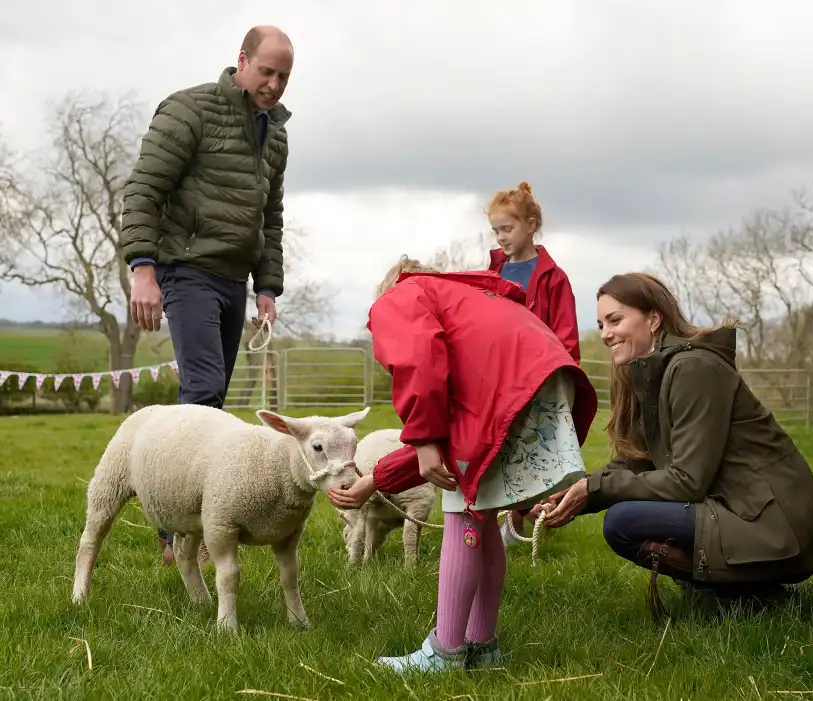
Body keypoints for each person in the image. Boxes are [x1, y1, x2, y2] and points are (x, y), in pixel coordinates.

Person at [326, 256, 598, 673]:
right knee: (483, 513)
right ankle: (482, 646)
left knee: (463, 514)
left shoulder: (402, 295)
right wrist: (377, 479)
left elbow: (418, 357)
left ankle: (445, 651)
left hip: (512, 388)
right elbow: (454, 439)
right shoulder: (472, 307)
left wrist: (425, 437)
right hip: (544, 380)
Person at [541, 272, 813, 620]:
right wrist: (573, 494)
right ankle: (734, 589)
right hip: (740, 509)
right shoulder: (652, 371)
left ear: (653, 318)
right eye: (601, 324)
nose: (606, 333)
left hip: (776, 523)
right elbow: (640, 460)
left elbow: (687, 480)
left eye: (615, 319)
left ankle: (750, 594)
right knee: (625, 515)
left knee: (624, 522)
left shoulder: (693, 368)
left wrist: (594, 490)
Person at [120, 25, 294, 564]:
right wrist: (143, 268)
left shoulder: (277, 135)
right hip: (185, 268)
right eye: (266, 70)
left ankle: (188, 521)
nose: (274, 84)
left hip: (233, 278)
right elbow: (145, 187)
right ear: (241, 60)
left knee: (212, 400)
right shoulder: (189, 111)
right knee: (203, 389)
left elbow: (270, 218)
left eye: (284, 76)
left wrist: (267, 286)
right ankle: (179, 536)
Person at [483, 181, 581, 546]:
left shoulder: (553, 278)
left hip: (538, 378)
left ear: (531, 224)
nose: (500, 237)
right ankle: (497, 523)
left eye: (506, 229)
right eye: (495, 230)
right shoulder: (492, 273)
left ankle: (531, 520)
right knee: (498, 448)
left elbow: (567, 337)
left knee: (533, 449)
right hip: (499, 378)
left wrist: (557, 378)